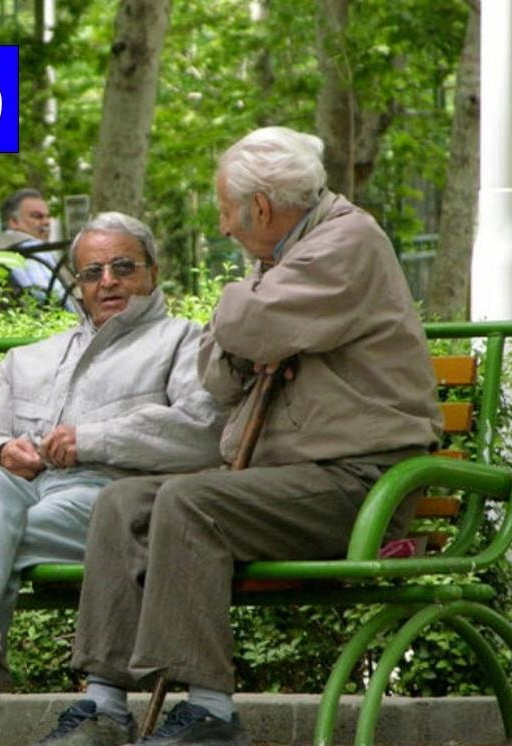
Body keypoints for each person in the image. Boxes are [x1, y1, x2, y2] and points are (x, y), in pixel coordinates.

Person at [28, 127, 443, 746]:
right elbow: (219, 374)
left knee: (191, 502)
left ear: (262, 208)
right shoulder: (281, 262)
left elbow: (243, 328)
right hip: (280, 481)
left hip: (359, 482)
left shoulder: (346, 240)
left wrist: (236, 301)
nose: (223, 227)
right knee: (122, 502)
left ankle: (210, 713)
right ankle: (103, 704)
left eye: (226, 211)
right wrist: (249, 319)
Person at [0, 212, 227, 746]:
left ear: (152, 272)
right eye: (92, 272)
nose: (108, 281)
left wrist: (90, 440)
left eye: (123, 267)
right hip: (22, 495)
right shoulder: (30, 359)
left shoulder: (181, 342)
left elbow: (201, 434)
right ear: (78, 284)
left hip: (112, 504)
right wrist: (2, 450)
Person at [0, 188, 78, 311]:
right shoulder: (31, 249)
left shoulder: (0, 251)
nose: (46, 222)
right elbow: (52, 297)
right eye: (37, 216)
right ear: (14, 222)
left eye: (47, 217)